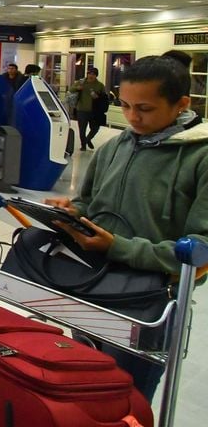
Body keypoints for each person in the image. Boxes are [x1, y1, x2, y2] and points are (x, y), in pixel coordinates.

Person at [46, 55, 208, 402]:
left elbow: (202, 248)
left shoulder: (201, 157)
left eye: (145, 109)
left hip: (150, 301)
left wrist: (119, 247)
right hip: (92, 282)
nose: (133, 118)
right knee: (83, 381)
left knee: (123, 397)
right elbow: (92, 202)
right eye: (126, 106)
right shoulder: (119, 143)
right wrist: (74, 212)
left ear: (182, 104)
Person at [71, 66, 107, 150]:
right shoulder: (81, 82)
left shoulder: (100, 85)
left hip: (94, 111)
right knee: (82, 129)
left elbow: (104, 97)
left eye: (93, 74)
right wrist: (77, 88)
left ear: (96, 75)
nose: (91, 75)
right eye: (89, 73)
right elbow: (71, 89)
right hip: (82, 109)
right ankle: (83, 145)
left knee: (95, 128)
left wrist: (97, 96)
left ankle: (88, 139)